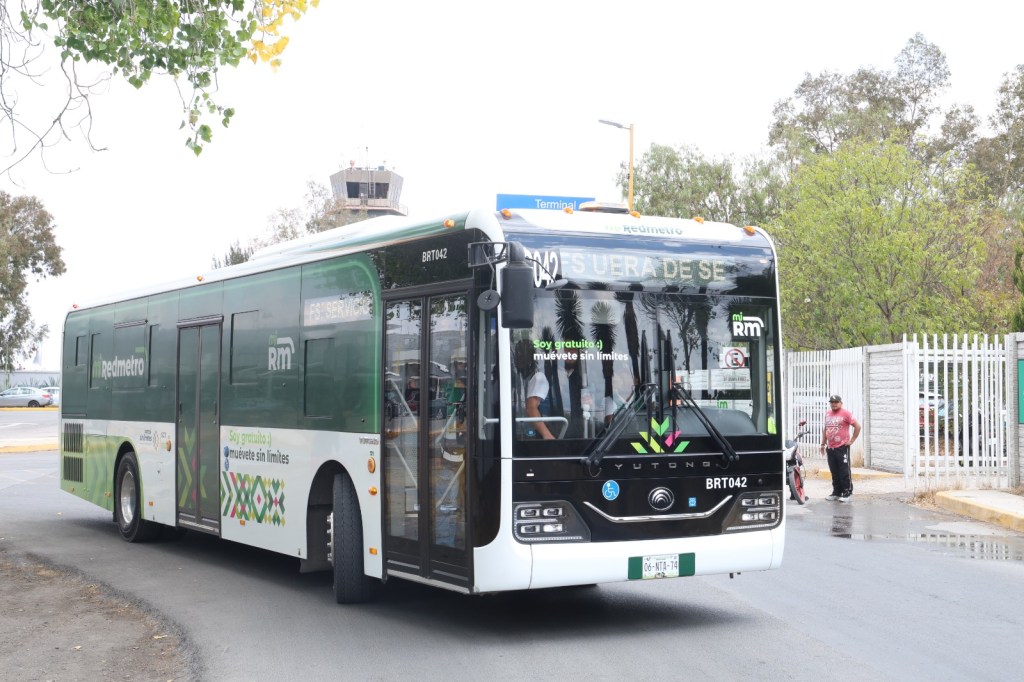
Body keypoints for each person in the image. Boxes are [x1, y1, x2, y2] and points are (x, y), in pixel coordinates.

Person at [820, 394, 861, 502]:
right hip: (831, 447)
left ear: (840, 403)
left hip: (842, 447)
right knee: (834, 471)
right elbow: (826, 429)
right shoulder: (828, 414)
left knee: (844, 471)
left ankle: (847, 493)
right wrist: (823, 444)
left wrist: (852, 440)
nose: (833, 404)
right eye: (832, 402)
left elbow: (857, 426)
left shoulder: (846, 413)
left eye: (836, 402)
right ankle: (836, 492)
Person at [514, 339, 555, 440]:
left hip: (538, 436)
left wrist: (547, 435)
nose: (519, 359)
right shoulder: (521, 378)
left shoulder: (538, 377)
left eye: (523, 355)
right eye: (518, 355)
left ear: (530, 357)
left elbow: (531, 408)